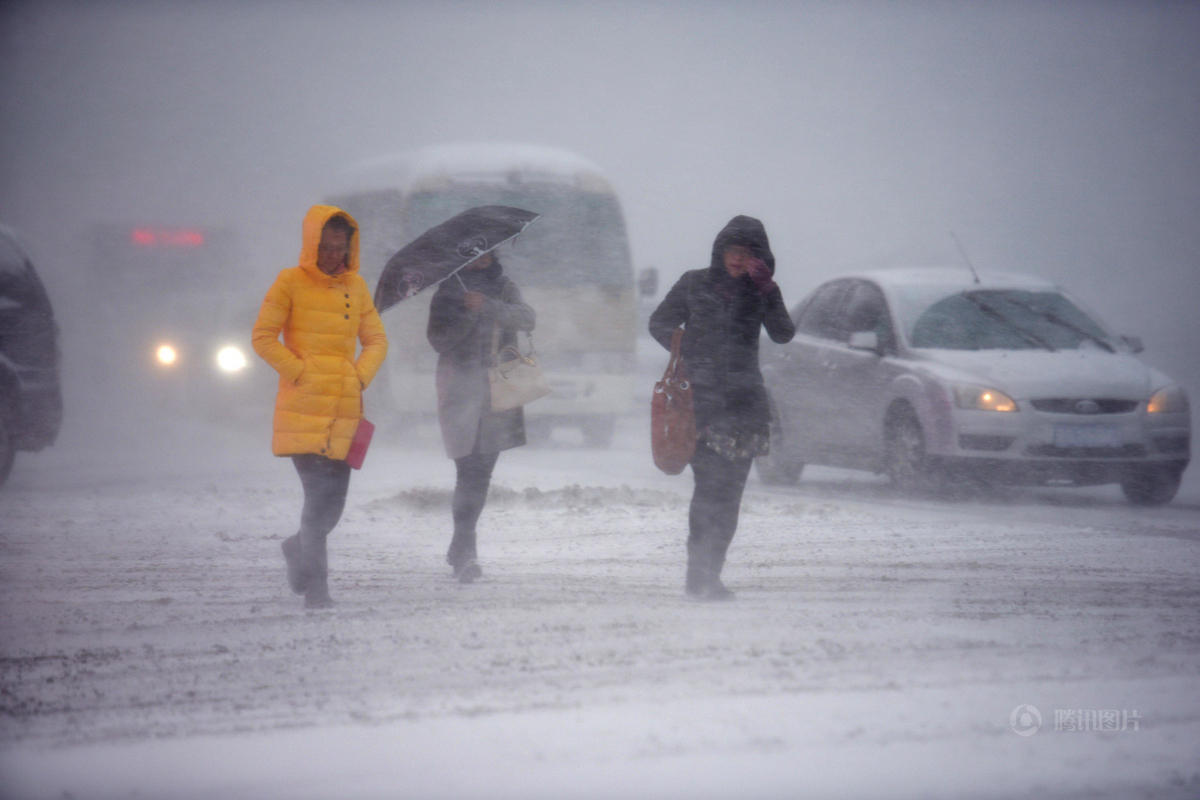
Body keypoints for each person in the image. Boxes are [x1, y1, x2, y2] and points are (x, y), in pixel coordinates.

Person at [648, 215, 795, 600]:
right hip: (702, 403)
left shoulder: (760, 291)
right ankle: (697, 574)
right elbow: (659, 322)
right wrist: (686, 347)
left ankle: (712, 573)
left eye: (748, 253)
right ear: (720, 250)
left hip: (745, 406)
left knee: (729, 499)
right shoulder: (694, 283)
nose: (738, 258)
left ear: (759, 258)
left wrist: (768, 288)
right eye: (732, 250)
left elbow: (783, 333)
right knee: (707, 491)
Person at [252, 205, 388, 608]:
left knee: (333, 508)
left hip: (344, 411)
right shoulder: (289, 282)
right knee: (317, 500)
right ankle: (318, 588)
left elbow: (377, 340)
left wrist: (359, 376)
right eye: (326, 247)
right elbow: (262, 337)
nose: (333, 256)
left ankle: (298, 549)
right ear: (311, 245)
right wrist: (300, 371)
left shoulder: (356, 287)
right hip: (304, 410)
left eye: (340, 248)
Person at [427, 249, 535, 583]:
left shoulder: (503, 286)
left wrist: (487, 307)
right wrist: (467, 314)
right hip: (459, 388)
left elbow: (528, 319)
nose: (481, 259)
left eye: (487, 253)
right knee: (467, 466)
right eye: (474, 254)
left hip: (500, 384)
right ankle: (465, 547)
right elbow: (438, 339)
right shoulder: (447, 291)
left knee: (482, 470)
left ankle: (462, 545)